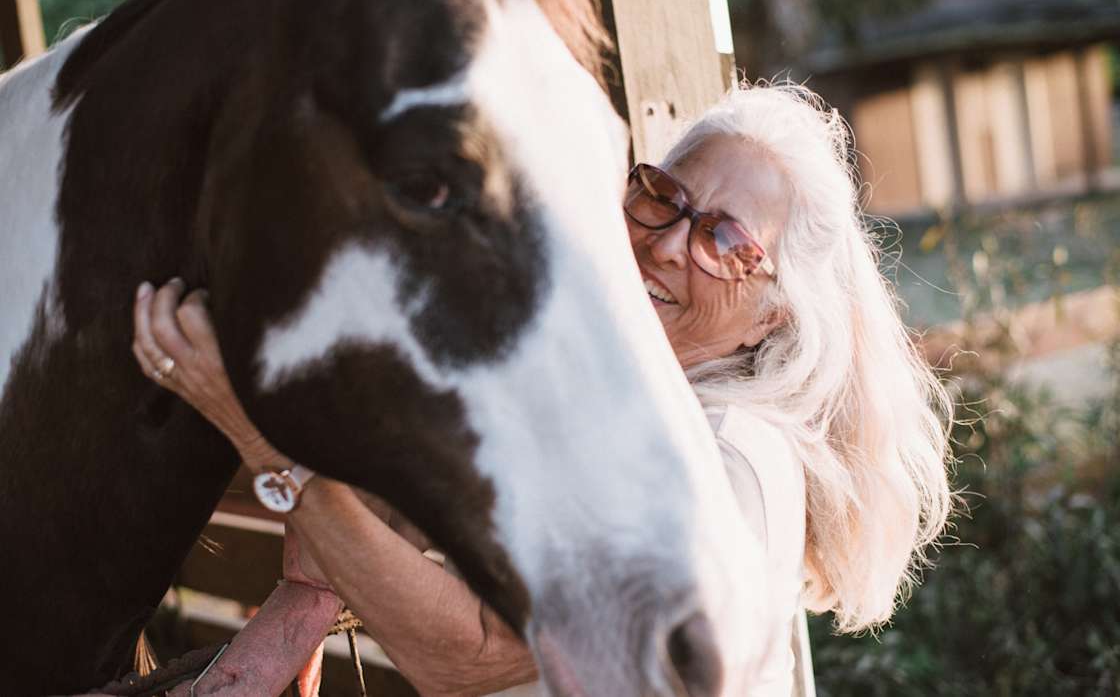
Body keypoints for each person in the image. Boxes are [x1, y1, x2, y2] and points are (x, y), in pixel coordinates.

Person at [132, 82, 954, 696]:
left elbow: (473, 653)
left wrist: (265, 446)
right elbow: (368, 532)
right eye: (664, 197)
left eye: (726, 241)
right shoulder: (604, 404)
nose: (668, 244)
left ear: (773, 316)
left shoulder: (724, 459)